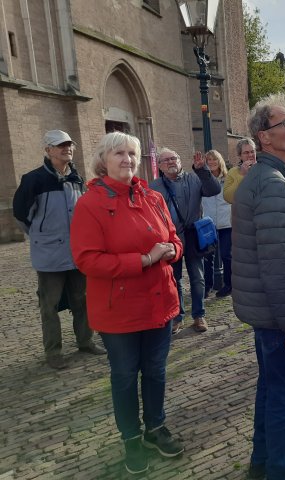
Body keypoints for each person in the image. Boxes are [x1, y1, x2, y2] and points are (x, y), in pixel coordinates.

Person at [70, 132, 184, 475]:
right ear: (103, 160)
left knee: (156, 372)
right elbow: (87, 260)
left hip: (159, 303)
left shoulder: (152, 196)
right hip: (118, 311)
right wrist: (145, 259)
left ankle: (155, 428)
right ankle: (131, 438)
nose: (127, 159)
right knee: (123, 377)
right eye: (119, 153)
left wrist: (172, 251)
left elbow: (175, 239)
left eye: (132, 153)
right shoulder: (89, 204)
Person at [232, 92, 285, 480]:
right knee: (283, 394)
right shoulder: (273, 184)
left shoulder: (262, 178)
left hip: (264, 313)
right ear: (264, 136)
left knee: (269, 388)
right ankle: (280, 469)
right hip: (276, 315)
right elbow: (278, 266)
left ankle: (261, 460)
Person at [12, 129, 105, 370]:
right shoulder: (33, 180)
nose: (67, 149)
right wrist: (41, 235)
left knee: (82, 300)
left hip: (77, 253)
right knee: (49, 306)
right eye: (61, 145)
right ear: (48, 150)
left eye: (69, 145)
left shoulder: (77, 178)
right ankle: (53, 352)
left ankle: (85, 341)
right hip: (49, 255)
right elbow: (21, 215)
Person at [150, 148, 221, 334]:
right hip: (170, 239)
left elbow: (214, 189)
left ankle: (199, 315)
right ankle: (177, 317)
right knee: (174, 279)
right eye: (166, 160)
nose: (171, 162)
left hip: (193, 235)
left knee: (197, 277)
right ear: (160, 166)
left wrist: (202, 170)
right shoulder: (154, 187)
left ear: (180, 161)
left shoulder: (195, 178)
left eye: (174, 158)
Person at [201, 149, 233, 298]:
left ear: (219, 161)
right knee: (208, 257)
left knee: (227, 255)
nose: (211, 163)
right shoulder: (202, 180)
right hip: (208, 224)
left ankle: (228, 285)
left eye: (214, 159)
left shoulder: (228, 178)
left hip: (226, 223)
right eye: (208, 161)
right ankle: (207, 286)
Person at [223, 138, 257, 204]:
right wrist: (242, 175)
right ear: (239, 156)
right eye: (246, 153)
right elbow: (228, 197)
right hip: (243, 212)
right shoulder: (233, 172)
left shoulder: (263, 168)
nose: (250, 155)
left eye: (252, 151)